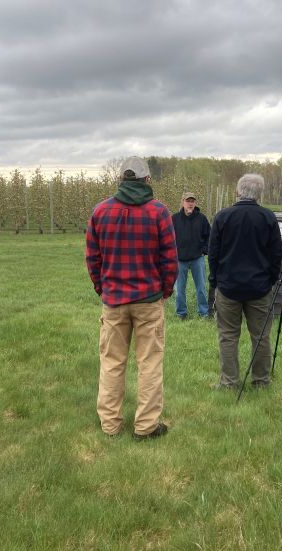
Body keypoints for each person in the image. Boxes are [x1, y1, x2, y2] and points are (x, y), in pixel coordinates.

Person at [85, 156, 179, 439]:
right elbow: (169, 260)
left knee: (112, 362)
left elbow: (93, 259)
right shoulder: (158, 213)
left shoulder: (101, 212)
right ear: (146, 180)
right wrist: (164, 292)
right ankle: (146, 426)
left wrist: (103, 289)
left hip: (114, 301)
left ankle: (110, 425)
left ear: (121, 179)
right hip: (148, 300)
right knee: (149, 363)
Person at [208, 173, 282, 389]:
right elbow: (276, 254)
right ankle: (261, 381)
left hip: (228, 287)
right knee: (260, 336)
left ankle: (229, 382)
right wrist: (270, 279)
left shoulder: (222, 217)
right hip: (259, 288)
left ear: (238, 191)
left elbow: (213, 254)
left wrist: (215, 281)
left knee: (228, 336)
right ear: (259, 193)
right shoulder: (267, 218)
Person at [171, 192, 211, 320]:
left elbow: (209, 237)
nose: (190, 203)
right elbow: (169, 238)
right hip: (179, 259)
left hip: (197, 259)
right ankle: (181, 313)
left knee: (201, 288)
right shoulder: (174, 219)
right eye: (188, 201)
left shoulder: (202, 219)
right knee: (179, 290)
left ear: (195, 203)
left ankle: (204, 313)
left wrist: (204, 250)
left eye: (192, 201)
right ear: (183, 202)